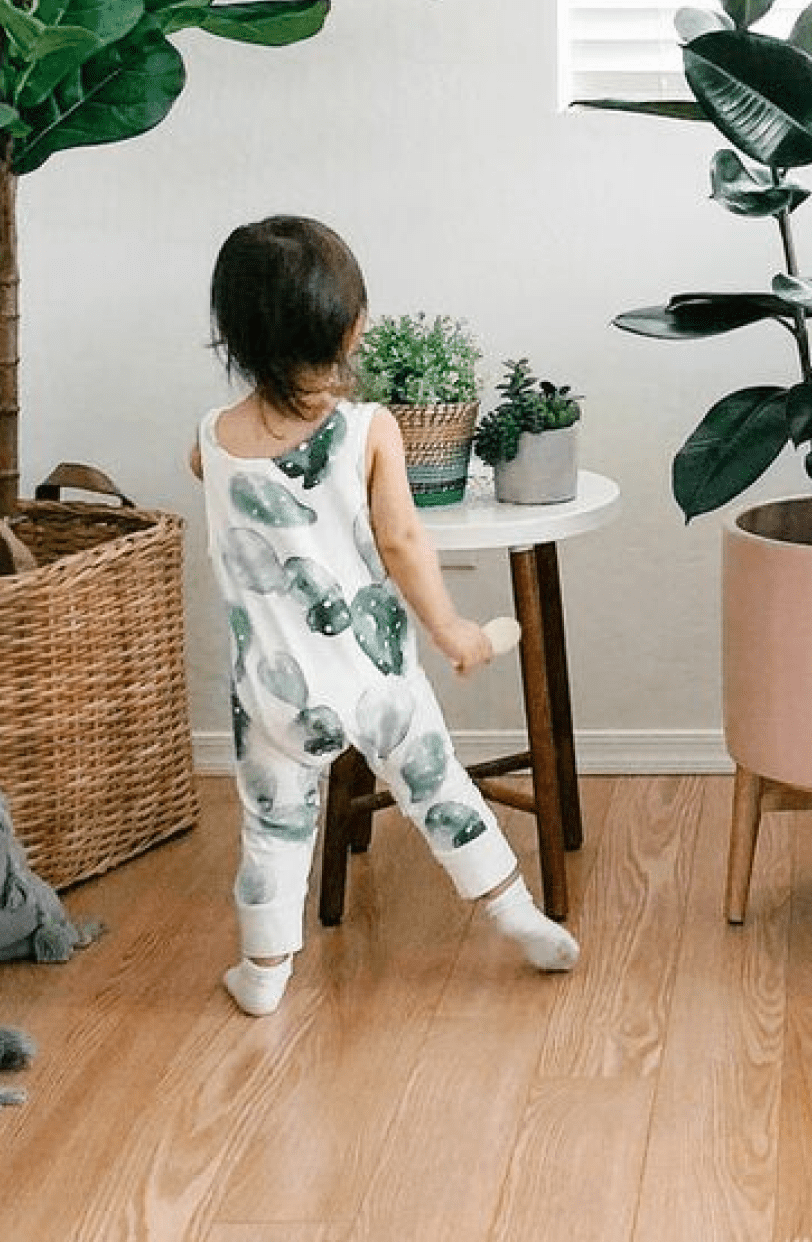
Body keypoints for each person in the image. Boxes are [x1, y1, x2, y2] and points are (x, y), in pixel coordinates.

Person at [193, 215, 579, 1016]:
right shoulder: (370, 429)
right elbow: (402, 540)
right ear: (352, 324)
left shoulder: (212, 440)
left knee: (273, 829)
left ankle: (263, 974)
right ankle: (517, 916)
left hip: (275, 697)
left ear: (232, 333)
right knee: (441, 794)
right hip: (375, 676)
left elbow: (206, 470)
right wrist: (453, 631)